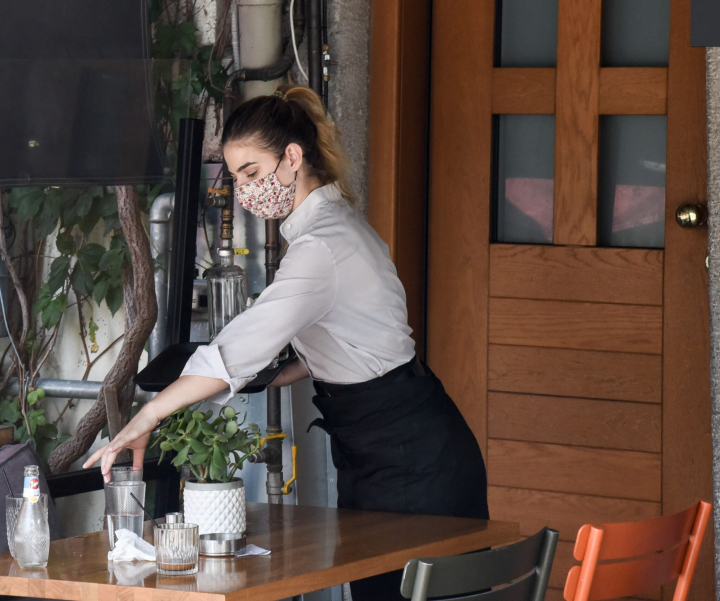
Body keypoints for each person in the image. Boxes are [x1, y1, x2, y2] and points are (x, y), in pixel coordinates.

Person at [84, 84, 488, 600]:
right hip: (390, 446)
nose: (244, 192)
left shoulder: (321, 247)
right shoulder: (334, 228)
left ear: (292, 157)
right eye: (234, 179)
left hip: (411, 461)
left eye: (251, 173)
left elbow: (233, 352)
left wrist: (146, 417)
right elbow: (348, 347)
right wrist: (280, 371)